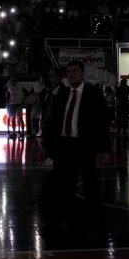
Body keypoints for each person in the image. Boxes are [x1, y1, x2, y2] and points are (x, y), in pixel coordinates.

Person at [43, 61, 110, 229]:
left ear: (82, 73)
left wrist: (105, 150)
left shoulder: (93, 94)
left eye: (75, 70)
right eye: (68, 71)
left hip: (85, 144)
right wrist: (47, 144)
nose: (71, 74)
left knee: (89, 181)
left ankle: (95, 220)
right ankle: (69, 217)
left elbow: (102, 123)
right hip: (64, 145)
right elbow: (52, 121)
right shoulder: (62, 94)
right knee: (66, 182)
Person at [5, 74, 25, 139]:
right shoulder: (9, 85)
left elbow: (25, 92)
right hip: (11, 104)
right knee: (13, 118)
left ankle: (22, 132)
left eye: (14, 77)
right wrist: (7, 100)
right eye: (12, 77)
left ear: (16, 78)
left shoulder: (20, 85)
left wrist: (23, 100)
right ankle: (14, 132)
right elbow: (5, 90)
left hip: (19, 103)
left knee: (20, 118)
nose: (13, 79)